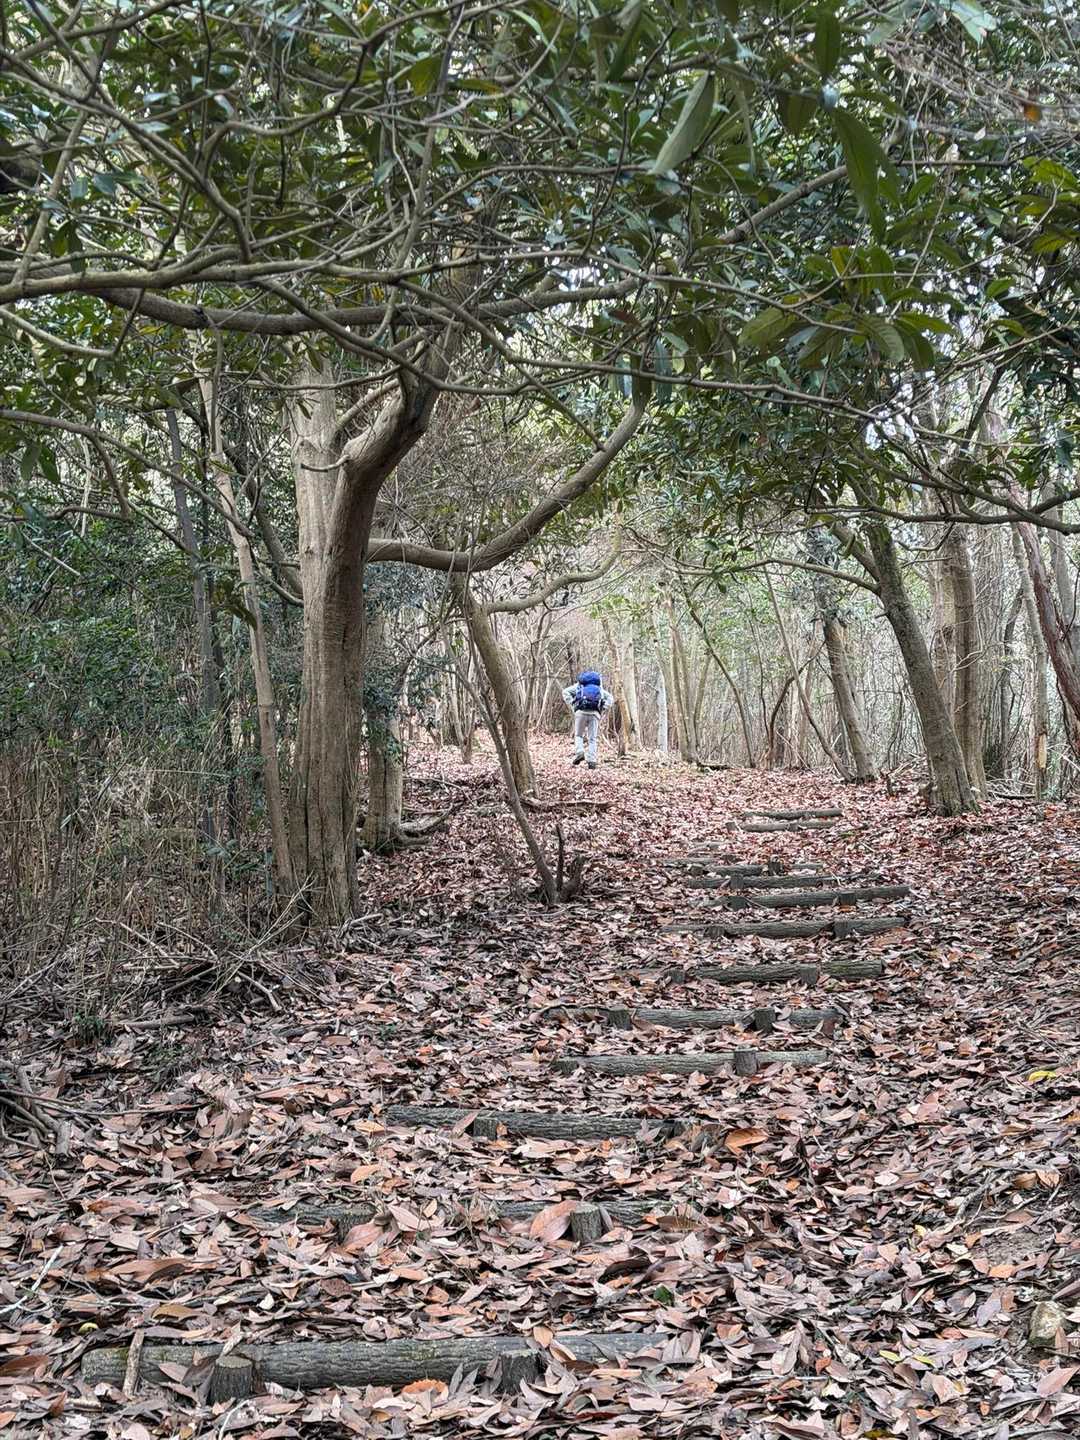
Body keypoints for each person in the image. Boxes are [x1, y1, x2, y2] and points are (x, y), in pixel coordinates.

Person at [562, 669, 614, 769]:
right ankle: (592, 761)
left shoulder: (579, 686)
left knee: (578, 735)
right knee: (592, 738)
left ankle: (580, 752)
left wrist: (573, 705)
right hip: (594, 713)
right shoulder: (599, 689)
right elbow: (610, 698)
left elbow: (565, 692)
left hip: (581, 712)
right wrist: (603, 708)